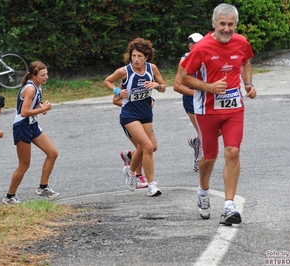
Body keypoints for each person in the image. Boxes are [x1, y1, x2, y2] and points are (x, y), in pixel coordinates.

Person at [180, 3, 257, 225]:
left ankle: (229, 206)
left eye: (230, 24)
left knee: (232, 152)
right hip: (207, 110)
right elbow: (185, 77)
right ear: (213, 24)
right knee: (209, 158)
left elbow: (246, 62)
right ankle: (203, 192)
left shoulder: (241, 42)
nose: (226, 29)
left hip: (234, 108)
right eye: (222, 24)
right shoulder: (201, 48)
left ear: (236, 24)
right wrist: (210, 87)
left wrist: (249, 84)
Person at [103, 37, 166, 197]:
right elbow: (107, 81)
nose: (136, 59)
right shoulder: (124, 71)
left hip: (146, 113)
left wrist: (157, 86)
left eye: (139, 56)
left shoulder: (152, 69)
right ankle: (152, 186)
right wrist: (117, 91)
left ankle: (131, 172)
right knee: (148, 147)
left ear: (146, 57)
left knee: (144, 148)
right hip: (129, 114)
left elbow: (163, 87)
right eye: (133, 56)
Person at [2, 61, 59, 204]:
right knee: (24, 164)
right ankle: (9, 197)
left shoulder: (38, 87)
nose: (47, 77)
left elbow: (33, 105)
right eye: (43, 75)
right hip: (22, 127)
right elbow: (24, 112)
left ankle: (43, 187)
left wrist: (41, 107)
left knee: (52, 153)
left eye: (46, 74)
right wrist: (42, 109)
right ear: (33, 76)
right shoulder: (30, 89)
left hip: (32, 125)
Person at [174, 33, 204, 172]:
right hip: (191, 100)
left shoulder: (206, 57)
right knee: (204, 132)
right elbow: (177, 86)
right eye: (196, 44)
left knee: (218, 131)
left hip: (206, 98)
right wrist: (197, 92)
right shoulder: (184, 60)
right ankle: (199, 160)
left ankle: (196, 142)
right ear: (190, 45)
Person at [113, 94, 157, 188]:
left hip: (144, 117)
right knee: (143, 148)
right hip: (130, 118)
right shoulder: (127, 80)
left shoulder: (148, 80)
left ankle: (129, 156)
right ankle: (138, 176)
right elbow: (115, 101)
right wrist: (134, 107)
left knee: (153, 147)